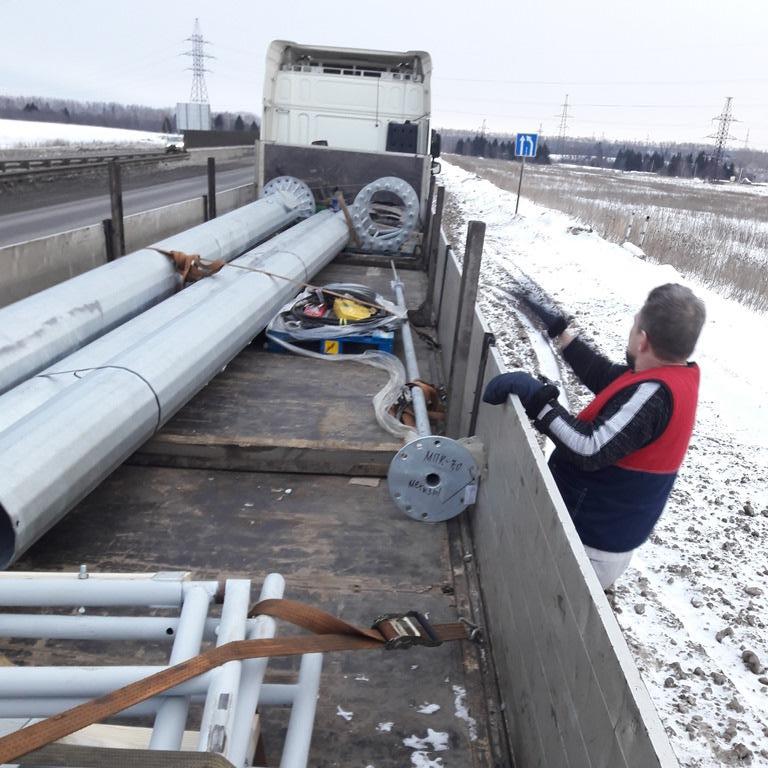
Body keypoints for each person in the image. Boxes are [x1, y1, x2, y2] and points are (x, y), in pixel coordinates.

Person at [483, 283, 706, 589]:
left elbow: (589, 448)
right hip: (595, 532)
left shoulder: (654, 395)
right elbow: (604, 376)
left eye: (635, 323)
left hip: (589, 542)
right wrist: (561, 333)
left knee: (535, 602)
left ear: (642, 340)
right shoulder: (669, 375)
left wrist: (537, 399)